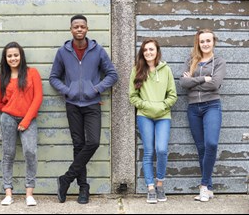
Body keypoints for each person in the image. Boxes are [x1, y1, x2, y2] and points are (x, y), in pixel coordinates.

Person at [49, 14, 118, 204]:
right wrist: (67, 90)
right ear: (71, 29)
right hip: (72, 105)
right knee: (78, 146)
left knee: (93, 142)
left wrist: (96, 89)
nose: (79, 29)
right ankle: (83, 188)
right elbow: (54, 77)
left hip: (92, 104)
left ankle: (66, 179)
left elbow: (112, 74)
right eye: (76, 27)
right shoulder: (63, 52)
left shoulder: (97, 51)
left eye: (82, 26)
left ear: (87, 29)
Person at [0, 42, 43, 206]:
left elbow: (38, 98)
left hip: (29, 119)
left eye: (16, 55)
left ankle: (29, 193)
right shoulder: (2, 78)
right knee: (8, 153)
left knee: (30, 152)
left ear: (21, 56)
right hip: (8, 119)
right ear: (5, 58)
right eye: (9, 56)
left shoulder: (32, 73)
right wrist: (9, 111)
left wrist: (26, 119)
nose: (13, 58)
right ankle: (8, 193)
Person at [180, 29, 226, 202]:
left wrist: (194, 81)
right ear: (198, 43)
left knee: (211, 144)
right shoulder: (191, 60)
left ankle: (204, 186)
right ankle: (210, 188)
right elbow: (183, 83)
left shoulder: (219, 61)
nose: (205, 44)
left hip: (211, 106)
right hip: (193, 109)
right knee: (201, 148)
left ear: (213, 42)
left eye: (208, 40)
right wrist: (202, 79)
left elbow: (215, 84)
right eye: (202, 41)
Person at [129, 39, 177, 204]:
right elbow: (133, 96)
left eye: (151, 49)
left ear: (157, 51)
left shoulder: (166, 70)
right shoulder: (137, 70)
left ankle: (160, 184)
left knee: (162, 150)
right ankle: (150, 187)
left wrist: (162, 106)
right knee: (149, 151)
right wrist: (147, 106)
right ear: (142, 53)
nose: (148, 52)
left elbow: (173, 95)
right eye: (145, 50)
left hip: (163, 116)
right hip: (144, 116)